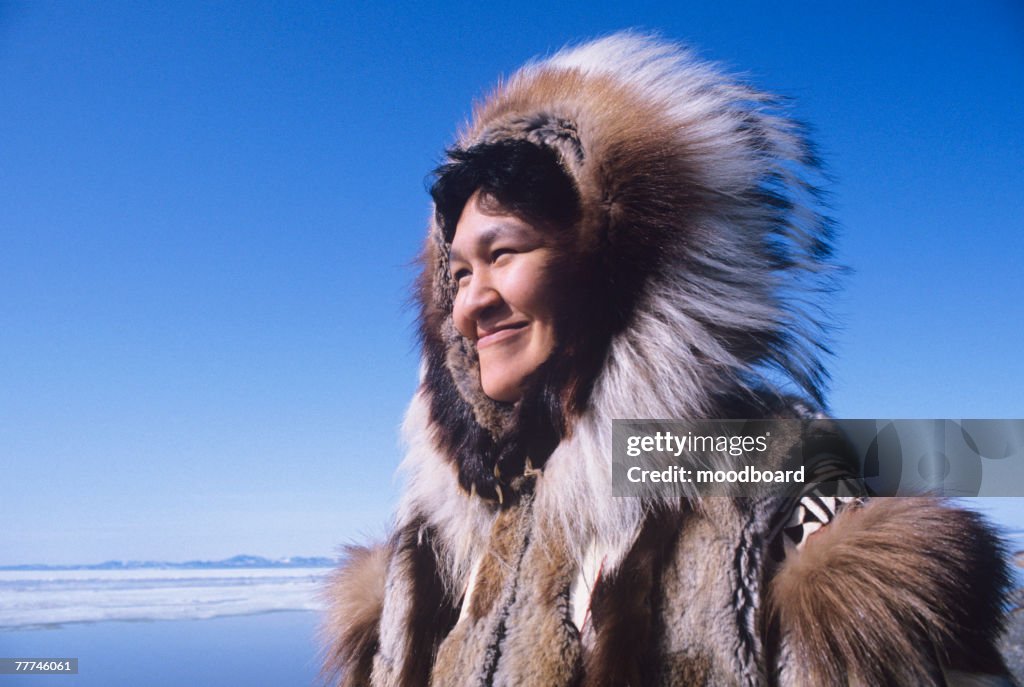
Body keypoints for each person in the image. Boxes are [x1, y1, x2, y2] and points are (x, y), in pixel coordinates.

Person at [323, 33, 1014, 686]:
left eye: (503, 253)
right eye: (458, 274)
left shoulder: (763, 483)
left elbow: (942, 463)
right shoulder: (430, 555)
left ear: (612, 263)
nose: (472, 302)